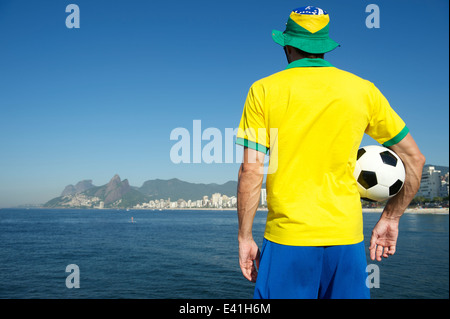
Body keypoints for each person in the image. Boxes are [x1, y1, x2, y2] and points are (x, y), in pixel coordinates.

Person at [236, 6, 425, 299]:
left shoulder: (263, 90)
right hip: (346, 242)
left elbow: (251, 169)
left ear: (286, 46)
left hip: (288, 240)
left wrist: (245, 237)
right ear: (324, 47)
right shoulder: (363, 90)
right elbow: (415, 159)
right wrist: (391, 217)